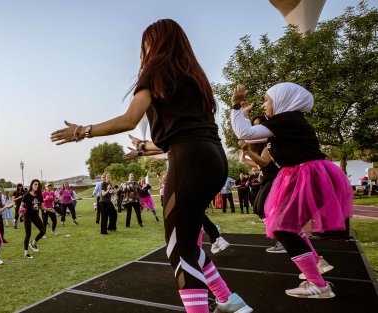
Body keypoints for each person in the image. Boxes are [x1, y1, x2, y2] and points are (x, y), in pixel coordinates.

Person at [51, 19, 251, 313]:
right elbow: (183, 132)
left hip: (190, 161)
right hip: (214, 158)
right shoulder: (196, 78)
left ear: (154, 43)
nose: (142, 49)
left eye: (145, 42)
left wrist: (83, 130)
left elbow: (129, 119)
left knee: (179, 248)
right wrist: (144, 148)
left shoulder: (156, 72)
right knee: (187, 242)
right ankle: (227, 299)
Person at [231, 82, 351, 299]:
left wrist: (236, 107)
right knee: (288, 226)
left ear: (282, 101)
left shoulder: (287, 119)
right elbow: (249, 136)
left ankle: (318, 284)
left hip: (306, 175)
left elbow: (244, 132)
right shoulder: (289, 122)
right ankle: (317, 265)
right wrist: (243, 115)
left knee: (282, 227)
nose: (265, 104)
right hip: (305, 175)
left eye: (268, 100)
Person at [20, 179, 52, 259]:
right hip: (27, 215)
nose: (37, 186)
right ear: (32, 185)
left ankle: (33, 243)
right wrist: (21, 209)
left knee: (43, 230)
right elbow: (22, 205)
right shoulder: (26, 195)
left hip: (35, 214)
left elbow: (41, 206)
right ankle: (26, 253)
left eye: (38, 185)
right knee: (28, 234)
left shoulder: (39, 195)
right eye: (35, 184)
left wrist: (48, 209)